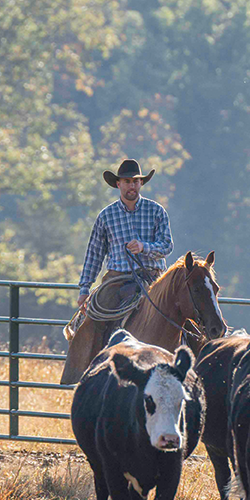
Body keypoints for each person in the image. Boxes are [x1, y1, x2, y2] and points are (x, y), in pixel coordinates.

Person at [60, 159, 173, 383]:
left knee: (185, 309)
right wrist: (84, 288)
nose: (132, 186)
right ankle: (85, 375)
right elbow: (94, 254)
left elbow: (167, 246)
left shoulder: (156, 211)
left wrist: (144, 247)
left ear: (141, 184)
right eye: (127, 181)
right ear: (118, 184)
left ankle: (195, 364)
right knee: (93, 320)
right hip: (118, 279)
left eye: (136, 181)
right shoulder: (106, 216)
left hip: (154, 277)